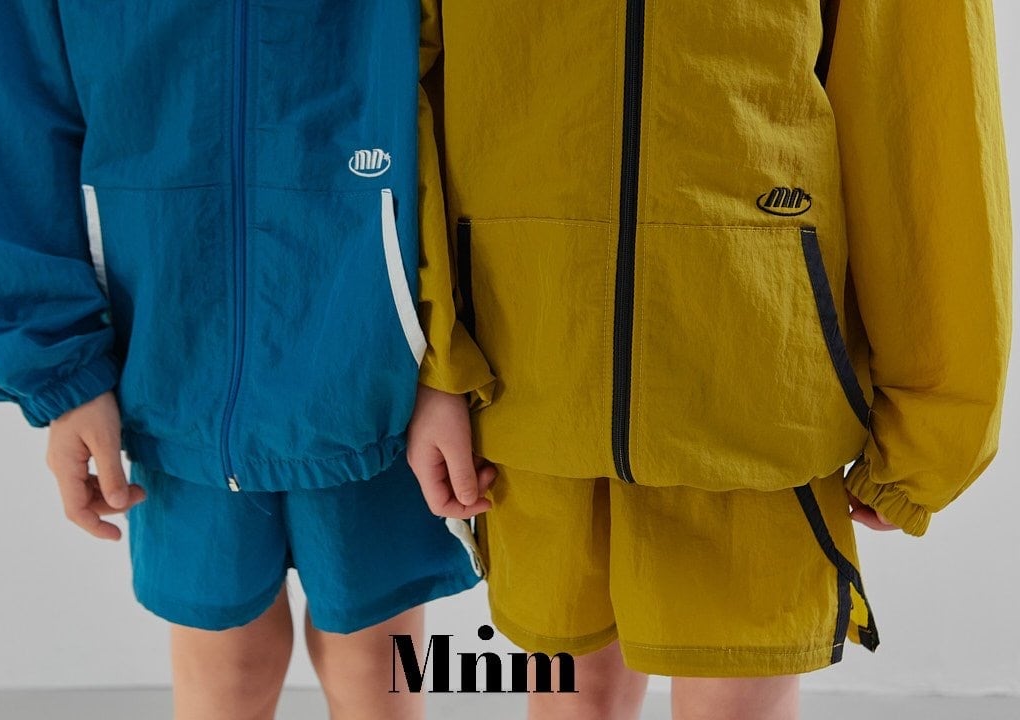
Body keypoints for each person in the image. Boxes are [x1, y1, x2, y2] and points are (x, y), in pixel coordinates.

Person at [408, 1, 1012, 719]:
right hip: (529, 354)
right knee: (571, 699)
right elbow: (404, 74)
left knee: (732, 705)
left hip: (752, 375)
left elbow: (921, 99)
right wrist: (436, 364)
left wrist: (930, 429)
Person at [0, 3, 487, 719]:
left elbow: (465, 77)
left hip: (368, 337)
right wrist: (60, 369)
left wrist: (446, 358)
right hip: (167, 342)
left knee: (372, 654)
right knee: (224, 664)